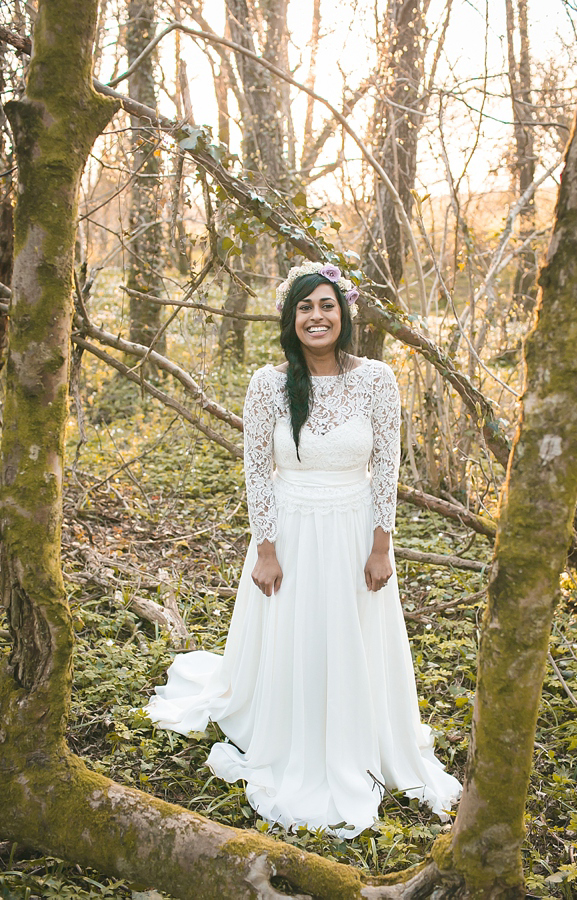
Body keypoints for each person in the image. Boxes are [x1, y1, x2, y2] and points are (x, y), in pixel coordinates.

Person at [144, 259, 462, 836]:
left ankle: (359, 733)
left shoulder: (377, 380)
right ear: (291, 319)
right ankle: (288, 728)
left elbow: (386, 465)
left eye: (326, 306)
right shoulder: (268, 383)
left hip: (353, 527)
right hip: (289, 528)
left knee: (349, 634)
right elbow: (257, 471)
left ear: (344, 315)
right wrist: (265, 549)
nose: (316, 317)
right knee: (296, 633)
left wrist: (381, 546)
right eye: (305, 307)